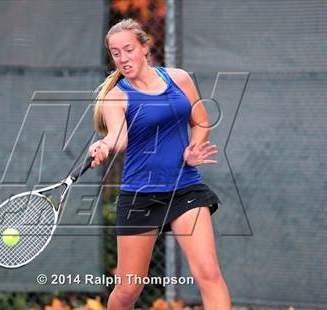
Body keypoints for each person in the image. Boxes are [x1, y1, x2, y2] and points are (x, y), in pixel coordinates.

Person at [88, 18, 231, 310]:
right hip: (141, 195)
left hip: (185, 188)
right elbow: (119, 137)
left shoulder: (179, 79)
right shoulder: (116, 97)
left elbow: (201, 120)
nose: (123, 58)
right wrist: (103, 144)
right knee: (129, 290)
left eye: (128, 49)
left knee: (209, 273)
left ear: (144, 47)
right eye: (116, 53)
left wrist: (192, 149)